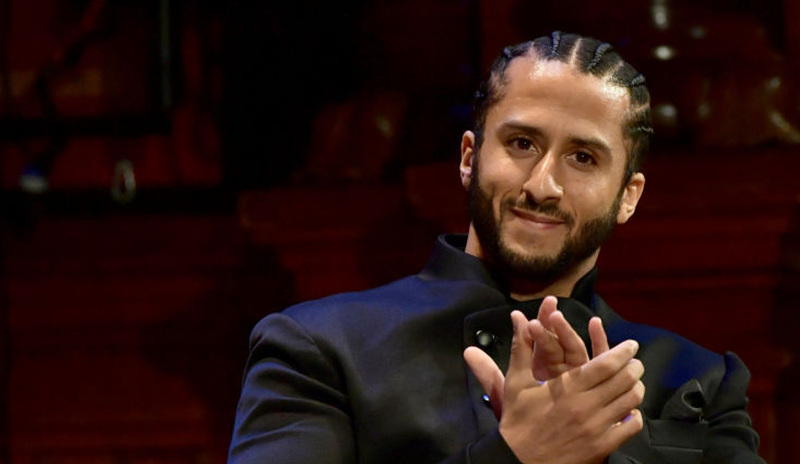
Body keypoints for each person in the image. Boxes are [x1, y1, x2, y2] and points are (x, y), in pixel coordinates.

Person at [228, 32, 765, 464]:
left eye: (583, 158)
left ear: (628, 196)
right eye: (522, 143)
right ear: (469, 158)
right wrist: (514, 456)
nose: (543, 185)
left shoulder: (698, 381)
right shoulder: (321, 349)